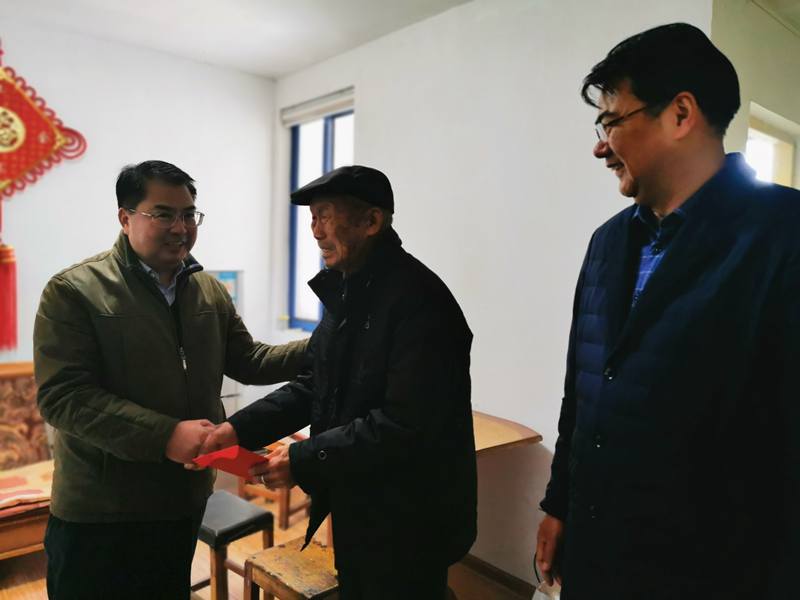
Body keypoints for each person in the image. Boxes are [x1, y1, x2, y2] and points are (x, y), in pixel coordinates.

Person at [535, 23, 800, 599]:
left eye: (612, 122)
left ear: (681, 114)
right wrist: (559, 505)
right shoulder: (607, 243)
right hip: (599, 557)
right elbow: (581, 395)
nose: (600, 146)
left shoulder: (782, 237)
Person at [199, 165, 477, 599]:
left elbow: (405, 424)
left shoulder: (421, 303)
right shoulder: (347, 293)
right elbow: (314, 384)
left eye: (325, 216)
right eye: (312, 218)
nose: (315, 231)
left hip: (410, 517)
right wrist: (238, 430)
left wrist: (304, 458)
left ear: (371, 221)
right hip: (359, 502)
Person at [33, 160, 308, 599]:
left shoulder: (208, 291)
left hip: (182, 502)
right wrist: (166, 435)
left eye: (188, 214)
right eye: (163, 214)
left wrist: (324, 345)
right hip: (101, 512)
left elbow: (250, 361)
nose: (180, 228)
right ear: (125, 218)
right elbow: (64, 398)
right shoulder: (74, 291)